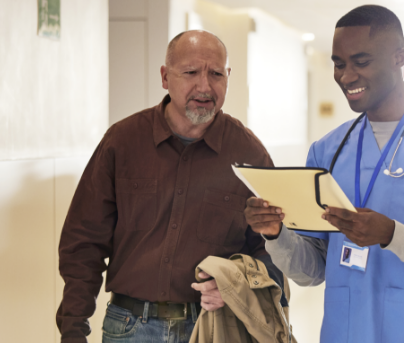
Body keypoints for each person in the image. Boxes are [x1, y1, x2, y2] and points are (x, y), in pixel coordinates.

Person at [244, 5, 404, 342]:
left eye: (361, 62)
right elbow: (313, 271)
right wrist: (276, 233)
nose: (346, 76)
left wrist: (393, 235)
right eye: (339, 64)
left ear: (400, 58)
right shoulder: (328, 150)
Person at [57, 30, 284, 343]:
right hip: (130, 327)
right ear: (165, 77)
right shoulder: (122, 142)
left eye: (216, 74)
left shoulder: (249, 155)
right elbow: (83, 241)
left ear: (228, 77)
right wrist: (73, 328)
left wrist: (237, 287)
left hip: (214, 328)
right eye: (190, 72)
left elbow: (274, 251)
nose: (204, 86)